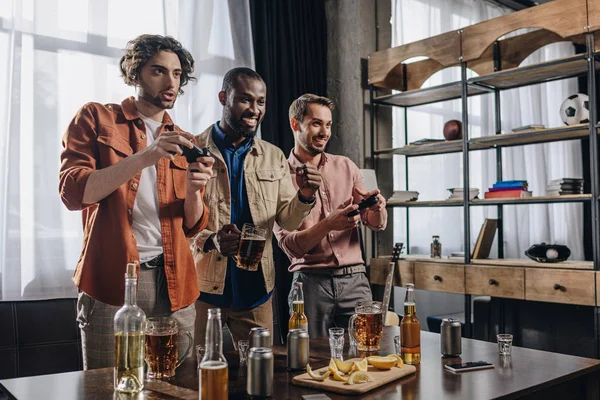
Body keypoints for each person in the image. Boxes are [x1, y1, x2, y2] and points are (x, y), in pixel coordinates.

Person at [59, 34, 214, 369]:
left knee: (174, 388)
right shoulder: (96, 118)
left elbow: (191, 225)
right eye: (158, 71)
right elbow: (74, 193)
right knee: (108, 387)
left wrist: (194, 188)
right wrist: (147, 155)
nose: (170, 81)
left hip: (176, 284)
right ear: (134, 74)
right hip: (116, 281)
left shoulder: (185, 140)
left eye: (176, 73)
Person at [191, 67, 321, 347]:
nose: (254, 109)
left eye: (260, 102)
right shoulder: (192, 149)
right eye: (244, 100)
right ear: (224, 97)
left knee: (261, 380)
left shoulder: (273, 155)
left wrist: (306, 195)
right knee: (196, 381)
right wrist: (211, 240)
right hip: (201, 291)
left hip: (256, 292)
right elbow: (176, 225)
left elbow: (287, 222)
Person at [274, 93, 387, 339]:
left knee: (365, 353)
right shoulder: (278, 176)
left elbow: (376, 225)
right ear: (296, 124)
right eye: (316, 123)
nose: (324, 132)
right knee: (308, 361)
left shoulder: (347, 166)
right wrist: (329, 224)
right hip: (309, 284)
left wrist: (377, 208)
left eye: (328, 124)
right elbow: (290, 246)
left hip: (356, 280)